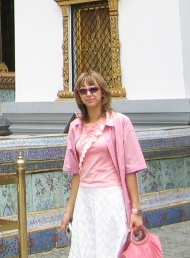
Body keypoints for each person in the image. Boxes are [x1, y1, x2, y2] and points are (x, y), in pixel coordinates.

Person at [59, 71, 147, 257]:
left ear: (103, 92)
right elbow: (76, 173)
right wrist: (69, 211)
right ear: (79, 96)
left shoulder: (120, 122)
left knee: (110, 250)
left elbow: (130, 169)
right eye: (83, 91)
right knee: (84, 251)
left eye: (93, 89)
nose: (88, 94)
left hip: (110, 196)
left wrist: (136, 210)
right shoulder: (76, 127)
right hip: (85, 198)